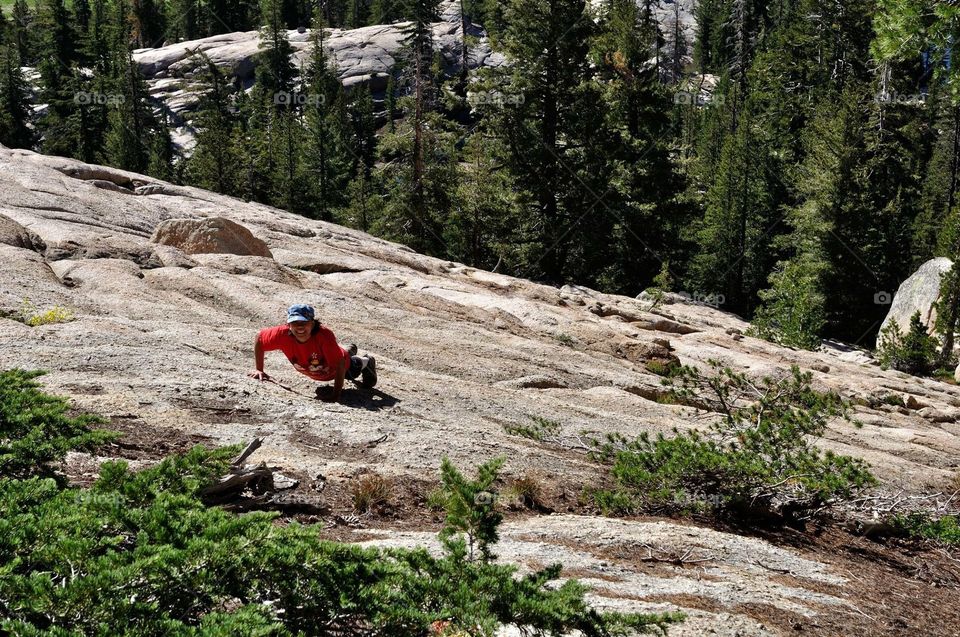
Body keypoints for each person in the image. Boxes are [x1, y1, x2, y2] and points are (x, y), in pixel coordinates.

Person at [249, 304, 376, 402]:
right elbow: (259, 339)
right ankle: (347, 350)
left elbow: (340, 364)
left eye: (304, 323)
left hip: (336, 368)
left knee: (352, 369)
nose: (299, 327)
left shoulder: (324, 336)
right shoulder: (281, 335)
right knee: (336, 353)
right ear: (288, 325)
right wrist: (259, 369)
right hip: (325, 359)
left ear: (313, 323)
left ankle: (366, 361)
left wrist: (336, 394)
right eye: (294, 323)